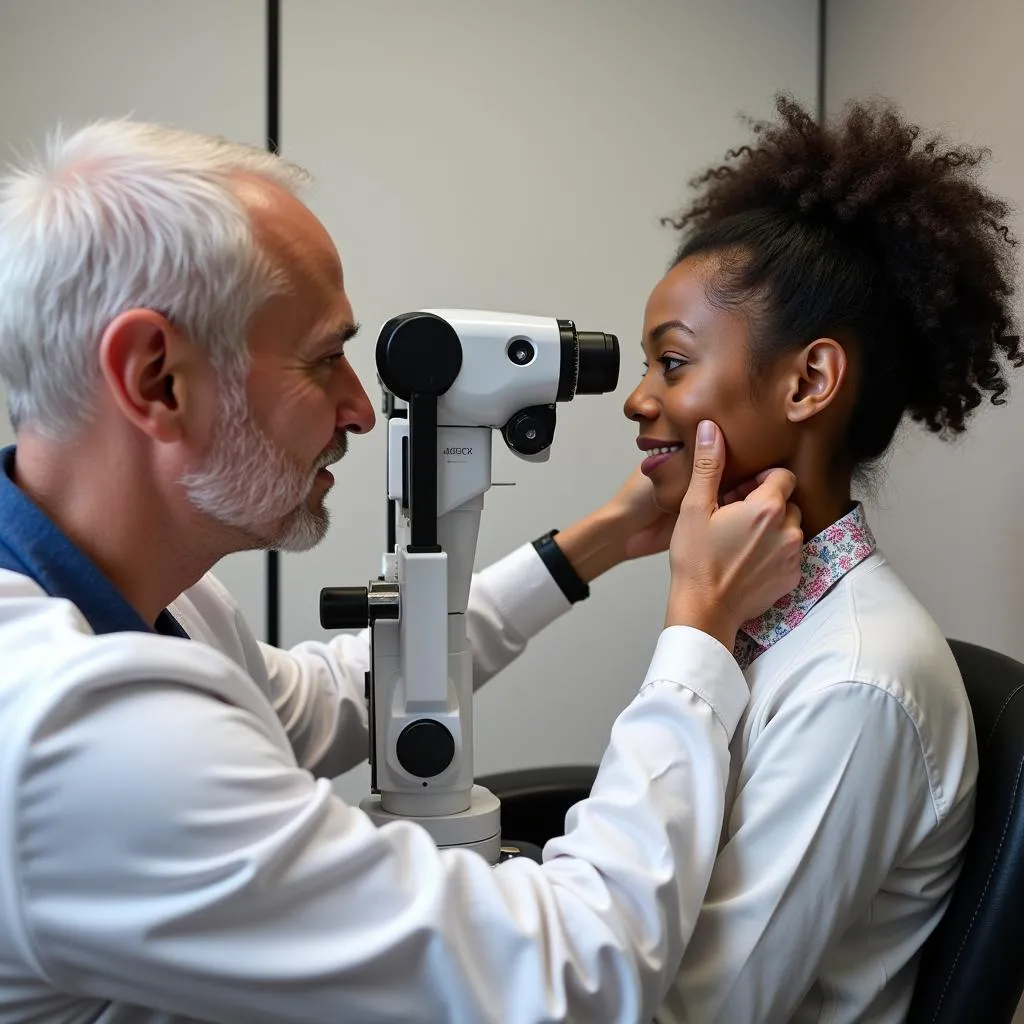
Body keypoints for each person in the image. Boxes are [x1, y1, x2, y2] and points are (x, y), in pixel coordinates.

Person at [0, 119, 803, 1022]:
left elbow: (344, 695)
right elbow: (572, 976)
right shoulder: (71, 739)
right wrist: (698, 628)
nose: (359, 407)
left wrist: (603, 540)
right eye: (321, 358)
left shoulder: (159, 601)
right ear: (156, 379)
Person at [623, 94, 1022, 1023]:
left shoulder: (858, 683)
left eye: (671, 363)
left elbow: (699, 1013)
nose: (638, 400)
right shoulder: (753, 614)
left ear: (807, 382)